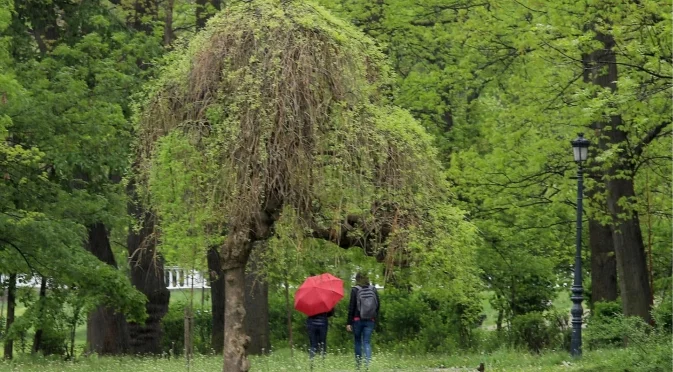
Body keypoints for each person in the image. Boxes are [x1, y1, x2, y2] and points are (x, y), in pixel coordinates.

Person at [346, 272, 380, 369]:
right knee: (367, 342)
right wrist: (374, 316)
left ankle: (358, 365)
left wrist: (349, 322)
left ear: (357, 279)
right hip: (370, 320)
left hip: (357, 320)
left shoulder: (355, 290)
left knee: (357, 341)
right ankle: (368, 366)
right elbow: (378, 305)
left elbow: (351, 307)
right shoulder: (373, 289)